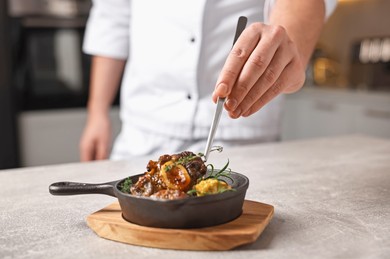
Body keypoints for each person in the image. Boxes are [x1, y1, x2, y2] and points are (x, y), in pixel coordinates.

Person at [80, 0, 337, 161]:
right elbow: (113, 18)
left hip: (239, 132)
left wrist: (289, 47)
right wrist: (97, 112)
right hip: (143, 128)